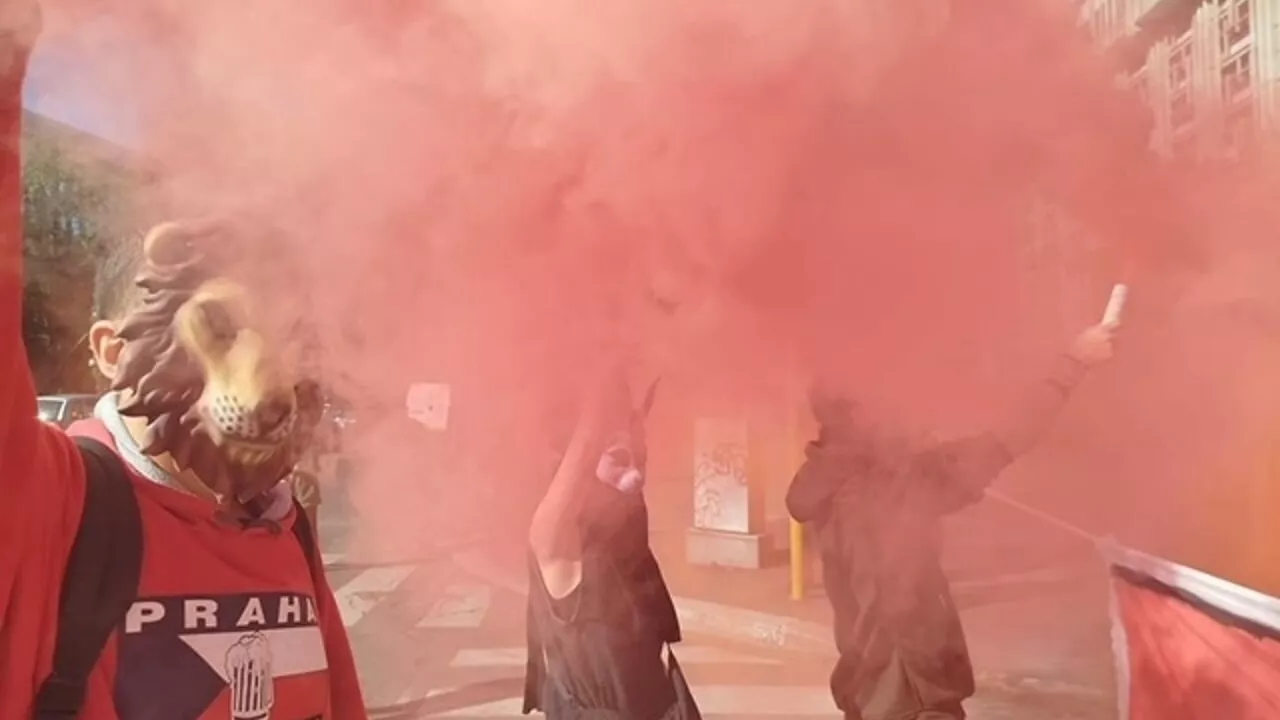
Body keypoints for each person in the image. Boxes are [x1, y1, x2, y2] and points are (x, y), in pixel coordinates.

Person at [0, 22, 366, 717]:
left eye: (286, 334)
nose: (270, 381)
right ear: (111, 351)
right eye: (219, 326)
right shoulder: (55, 501)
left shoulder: (284, 520)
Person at [787, 322, 1118, 720]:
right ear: (861, 415)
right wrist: (1073, 364)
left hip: (871, 693)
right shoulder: (892, 486)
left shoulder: (832, 479)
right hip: (913, 697)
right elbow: (1006, 439)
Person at [521, 351, 694, 719]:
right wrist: (605, 365)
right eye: (618, 458)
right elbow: (583, 448)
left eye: (641, 460)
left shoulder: (622, 528)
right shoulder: (557, 540)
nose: (637, 475)